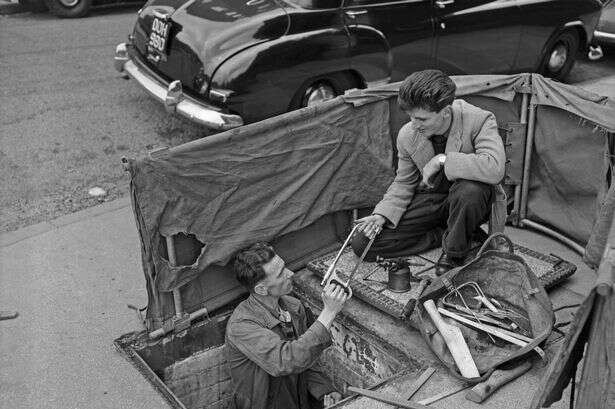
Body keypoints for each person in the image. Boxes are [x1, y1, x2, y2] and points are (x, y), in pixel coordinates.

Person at [352, 69, 506, 275]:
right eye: (411, 117)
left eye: (422, 119)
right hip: (434, 199)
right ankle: (450, 234)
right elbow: (404, 182)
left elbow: (495, 168)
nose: (414, 125)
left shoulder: (480, 120)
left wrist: (443, 160)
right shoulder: (408, 134)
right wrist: (382, 214)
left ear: (445, 111)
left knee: (470, 190)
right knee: (363, 244)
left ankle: (454, 252)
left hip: (471, 201)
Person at [225, 242, 349, 409]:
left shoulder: (294, 306)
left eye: (285, 267)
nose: (290, 273)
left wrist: (324, 390)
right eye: (280, 274)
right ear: (261, 290)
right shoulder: (242, 326)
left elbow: (308, 359)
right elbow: (286, 360)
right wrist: (329, 312)